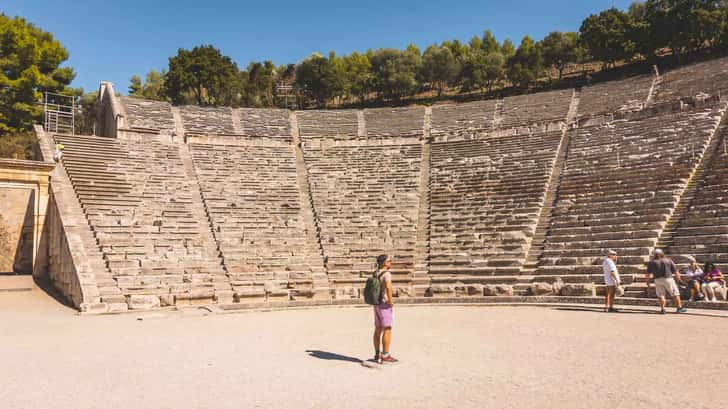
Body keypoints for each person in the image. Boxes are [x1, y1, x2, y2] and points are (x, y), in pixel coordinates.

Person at [372, 254, 397, 364]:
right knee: (387, 328)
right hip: (384, 303)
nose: (390, 263)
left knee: (378, 329)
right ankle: (385, 355)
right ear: (384, 263)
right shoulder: (386, 274)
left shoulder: (375, 273)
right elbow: (388, 287)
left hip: (376, 303)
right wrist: (391, 301)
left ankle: (377, 353)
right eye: (389, 261)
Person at [646, 249, 686, 314]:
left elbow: (648, 274)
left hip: (657, 280)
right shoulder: (668, 260)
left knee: (661, 295)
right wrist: (679, 279)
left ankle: (663, 309)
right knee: (675, 293)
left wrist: (647, 282)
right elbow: (676, 271)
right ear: (662, 253)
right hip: (668, 279)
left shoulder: (651, 262)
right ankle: (679, 308)